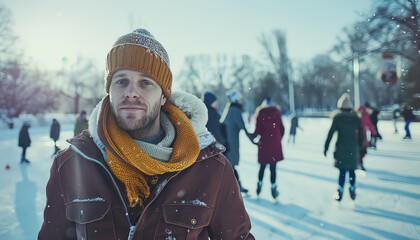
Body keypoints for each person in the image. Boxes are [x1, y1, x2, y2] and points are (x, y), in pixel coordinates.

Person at [38, 29, 254, 240]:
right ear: (109, 91)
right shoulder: (70, 165)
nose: (131, 92)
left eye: (145, 82)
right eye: (121, 81)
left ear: (163, 97)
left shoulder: (211, 167)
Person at [324, 93, 364, 201]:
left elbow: (330, 133)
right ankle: (352, 187)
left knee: (342, 171)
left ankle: (340, 190)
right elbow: (361, 134)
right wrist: (361, 147)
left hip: (341, 148)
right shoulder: (356, 118)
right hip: (353, 148)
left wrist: (326, 147)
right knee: (352, 170)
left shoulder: (337, 118)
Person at [250, 98, 284, 199]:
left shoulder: (260, 112)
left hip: (264, 144)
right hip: (275, 145)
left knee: (263, 166)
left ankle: (259, 184)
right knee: (273, 167)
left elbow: (257, 130)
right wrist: (277, 139)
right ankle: (273, 187)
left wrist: (251, 136)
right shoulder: (276, 112)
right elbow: (282, 128)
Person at [221, 89, 253, 194]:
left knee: (229, 166)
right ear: (235, 100)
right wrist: (253, 140)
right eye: (240, 99)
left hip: (227, 142)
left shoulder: (230, 109)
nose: (242, 101)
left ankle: (236, 187)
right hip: (231, 143)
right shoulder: (235, 111)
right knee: (230, 166)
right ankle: (235, 188)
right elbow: (242, 127)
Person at [357, 103, 377, 171]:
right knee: (358, 151)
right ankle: (359, 163)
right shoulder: (356, 116)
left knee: (364, 151)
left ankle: (359, 162)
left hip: (364, 136)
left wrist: (374, 132)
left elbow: (370, 125)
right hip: (356, 136)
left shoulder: (366, 116)